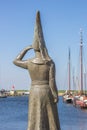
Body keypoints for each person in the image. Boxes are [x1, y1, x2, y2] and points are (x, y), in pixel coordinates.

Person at [13, 11, 61, 130]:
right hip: (47, 92)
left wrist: (25, 49)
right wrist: (55, 95)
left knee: (35, 118)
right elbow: (52, 82)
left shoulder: (29, 63)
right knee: (51, 120)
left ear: (34, 49)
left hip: (34, 91)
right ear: (44, 47)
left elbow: (15, 61)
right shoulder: (49, 63)